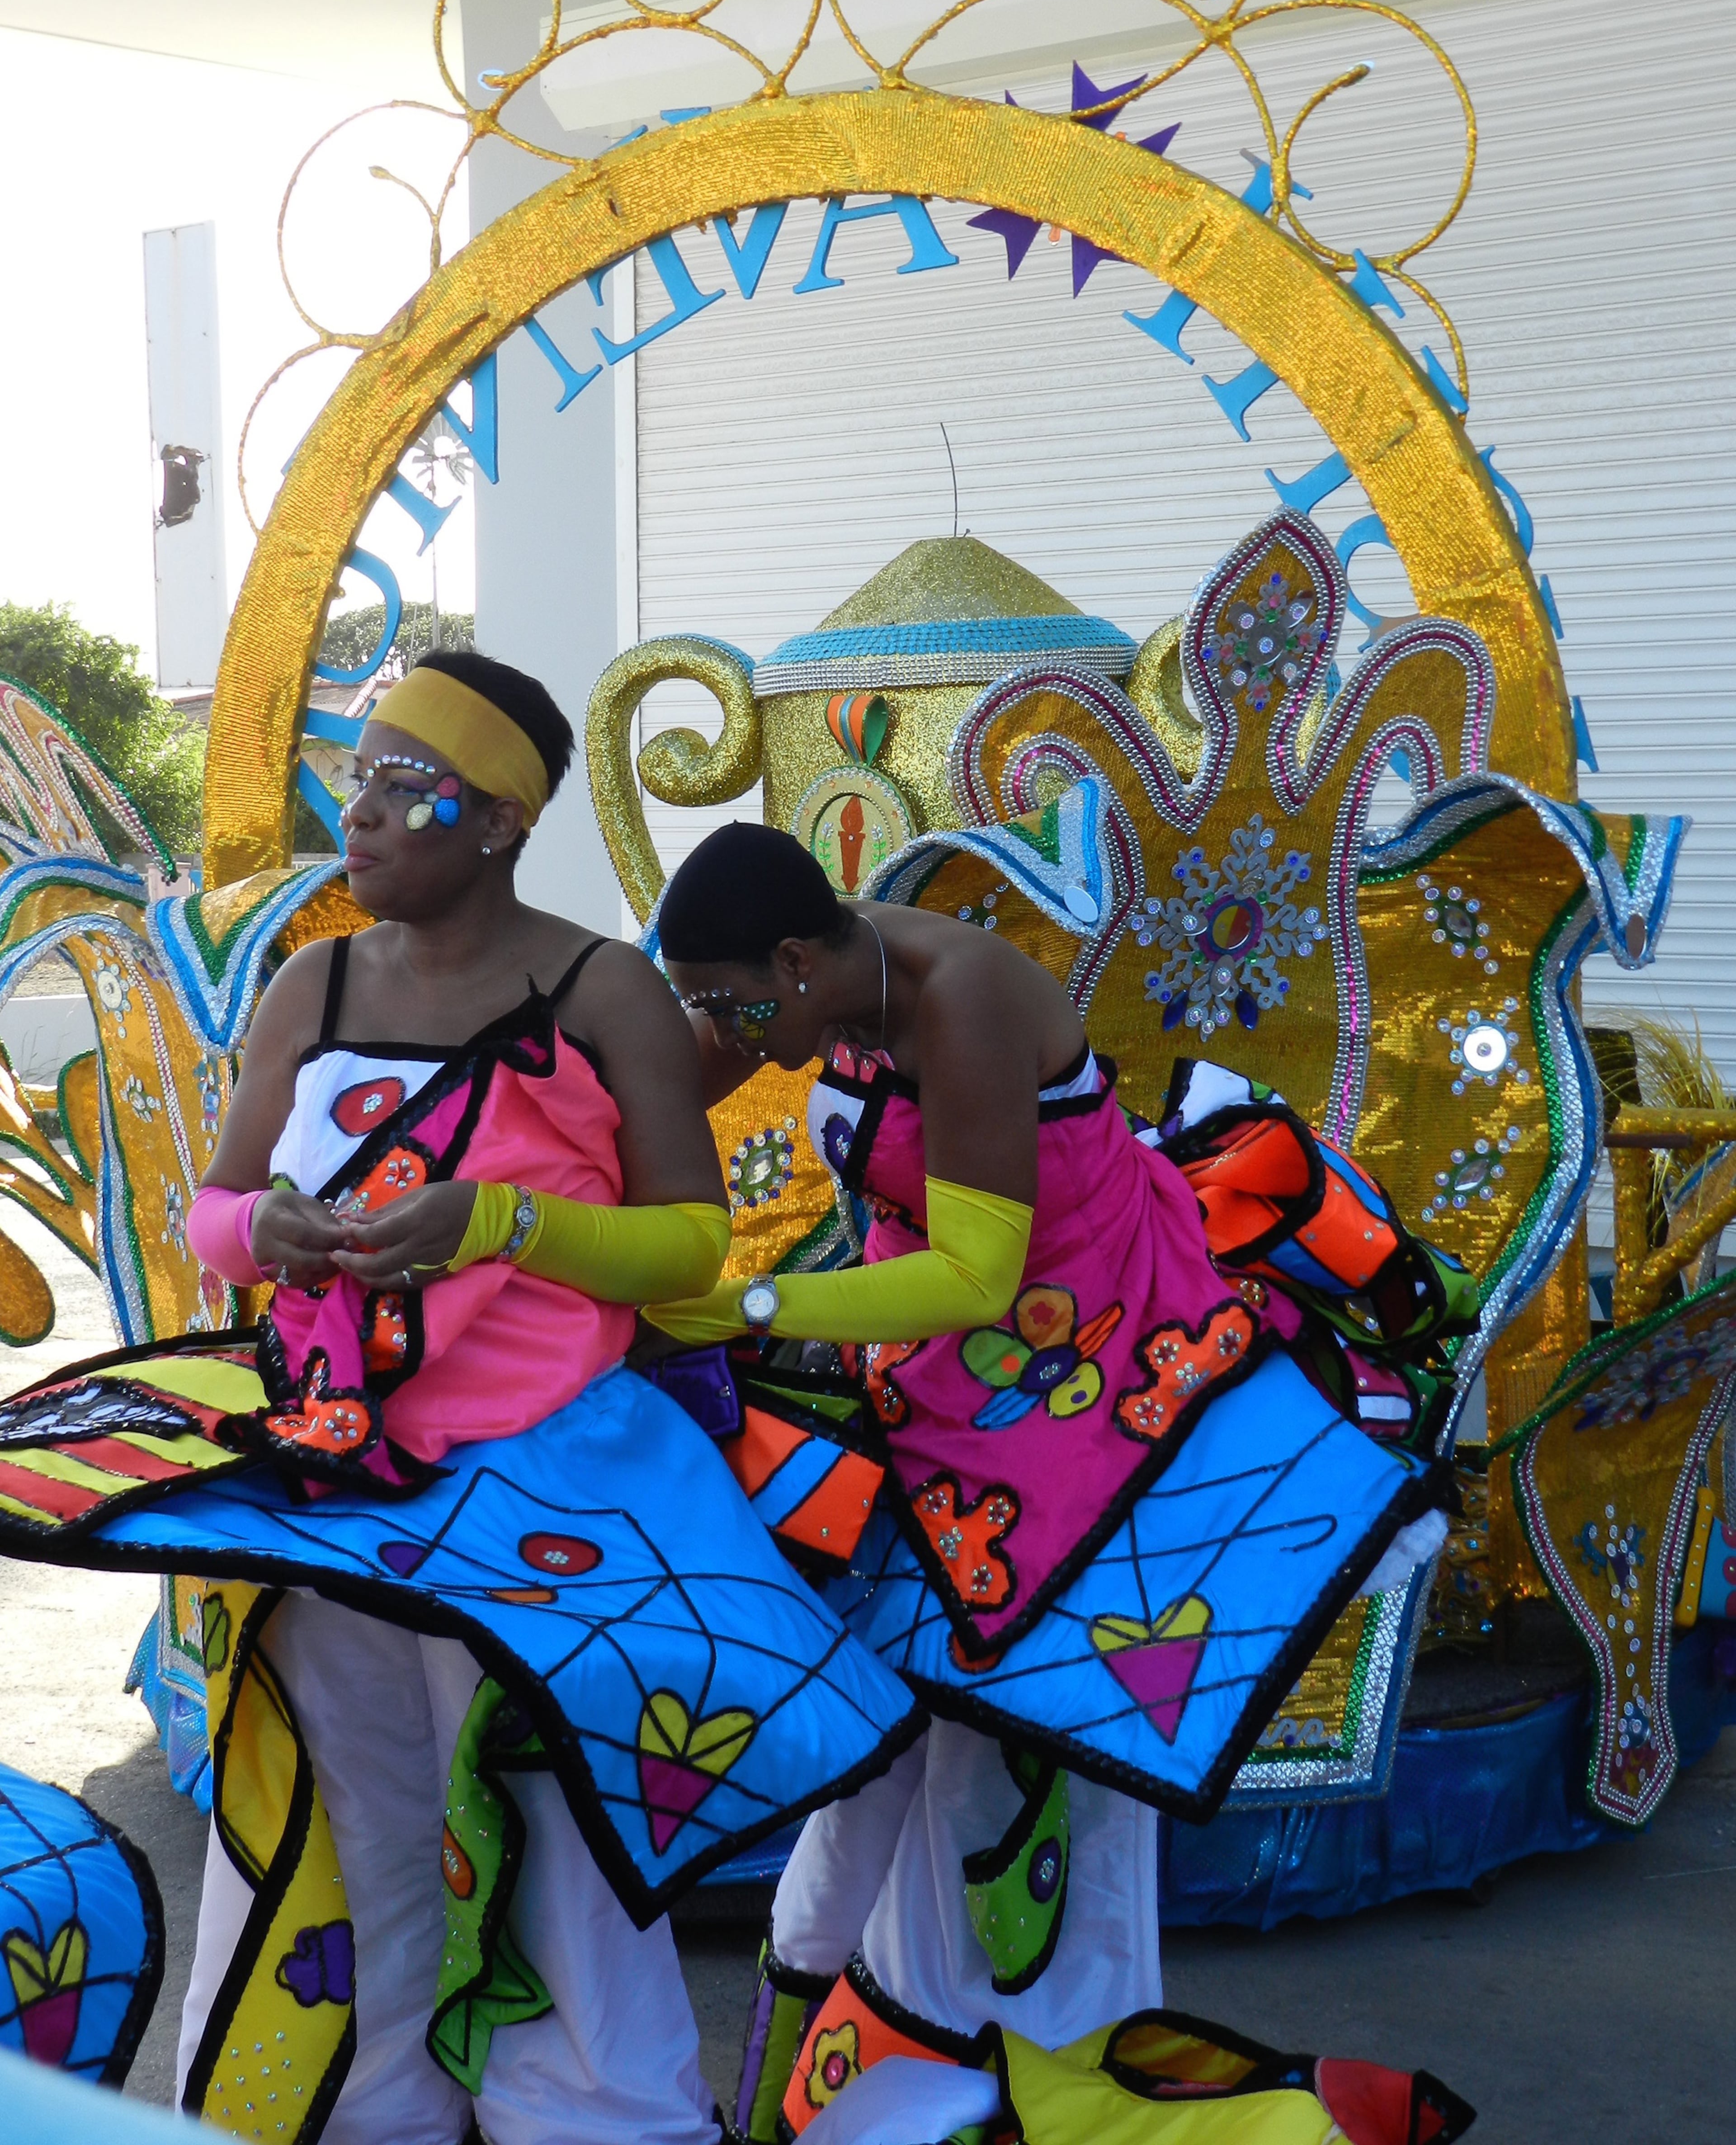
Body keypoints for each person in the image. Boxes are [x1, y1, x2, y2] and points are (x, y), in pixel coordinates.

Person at [0, 662, 916, 2145]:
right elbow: (217, 1213)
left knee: (553, 1827)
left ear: (497, 820)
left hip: (542, 1482)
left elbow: (688, 1246)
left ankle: (603, 2121)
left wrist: (502, 1225)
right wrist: (273, 1232)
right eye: (356, 780)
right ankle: (372, 2115)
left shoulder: (599, 987)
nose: (356, 817)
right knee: (358, 1819)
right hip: (333, 1470)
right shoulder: (320, 984)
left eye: (400, 789)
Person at [646, 822, 1454, 2140]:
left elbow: (977, 1277)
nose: (715, 1029)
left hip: (1085, 1379)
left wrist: (746, 1301)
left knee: (1012, 1748)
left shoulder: (962, 998)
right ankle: (830, 2068)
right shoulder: (801, 993)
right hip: (938, 1394)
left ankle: (1041, 2076)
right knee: (882, 1757)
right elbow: (651, 1078)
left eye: (726, 1002)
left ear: (794, 962)